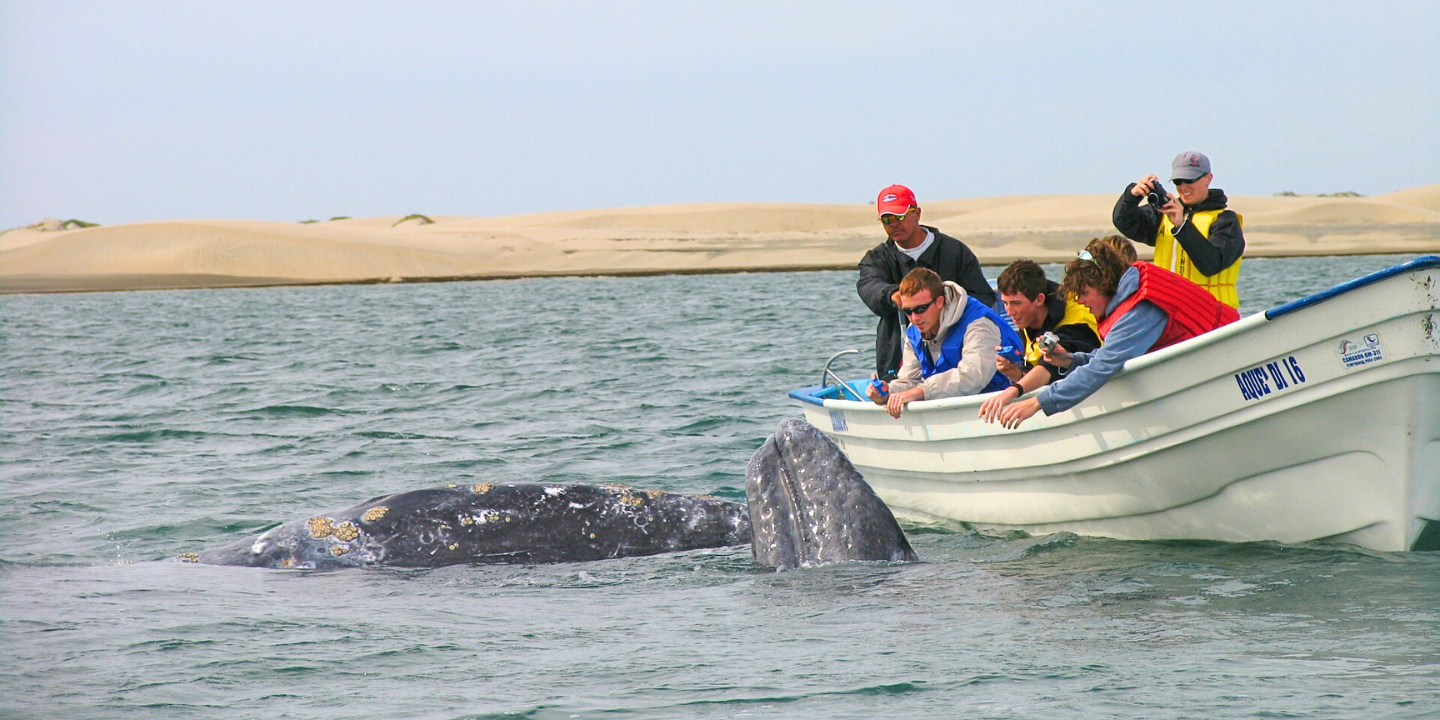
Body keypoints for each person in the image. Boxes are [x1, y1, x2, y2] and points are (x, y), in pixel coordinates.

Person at [989, 237, 1240, 429]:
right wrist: (1071, 360)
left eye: (1085, 294)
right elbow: (1106, 356)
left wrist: (1037, 403)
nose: (1082, 303)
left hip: (1227, 360)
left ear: (1103, 284)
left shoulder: (1140, 310)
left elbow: (1103, 367)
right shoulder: (1134, 288)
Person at [858, 184, 998, 381]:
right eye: (887, 219)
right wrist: (893, 295)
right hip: (898, 357)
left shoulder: (954, 251)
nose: (894, 224)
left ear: (917, 213)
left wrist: (945, 313)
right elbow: (869, 287)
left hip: (957, 357)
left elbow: (983, 298)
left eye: (900, 216)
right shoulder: (876, 259)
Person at [866, 267, 1021, 419]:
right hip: (955, 409)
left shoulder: (979, 324)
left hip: (1002, 403)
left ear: (940, 301)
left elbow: (973, 376)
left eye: (921, 309)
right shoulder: (915, 331)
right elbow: (910, 380)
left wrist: (922, 391)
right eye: (908, 311)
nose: (914, 318)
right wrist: (887, 391)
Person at [1113, 151, 1244, 309]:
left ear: (1208, 178)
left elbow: (1211, 264)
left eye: (1190, 179)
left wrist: (1182, 227)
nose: (1183, 187)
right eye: (1178, 181)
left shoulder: (1226, 221)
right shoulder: (1164, 214)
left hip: (1211, 314)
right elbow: (1124, 221)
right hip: (1168, 312)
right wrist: (1132, 195)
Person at [977, 258, 1102, 423]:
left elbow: (1049, 369)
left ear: (1039, 299)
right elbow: (1033, 372)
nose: (1009, 311)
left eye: (1015, 303)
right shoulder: (1028, 316)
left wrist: (1011, 392)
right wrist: (1015, 373)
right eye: (1005, 303)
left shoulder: (1075, 324)